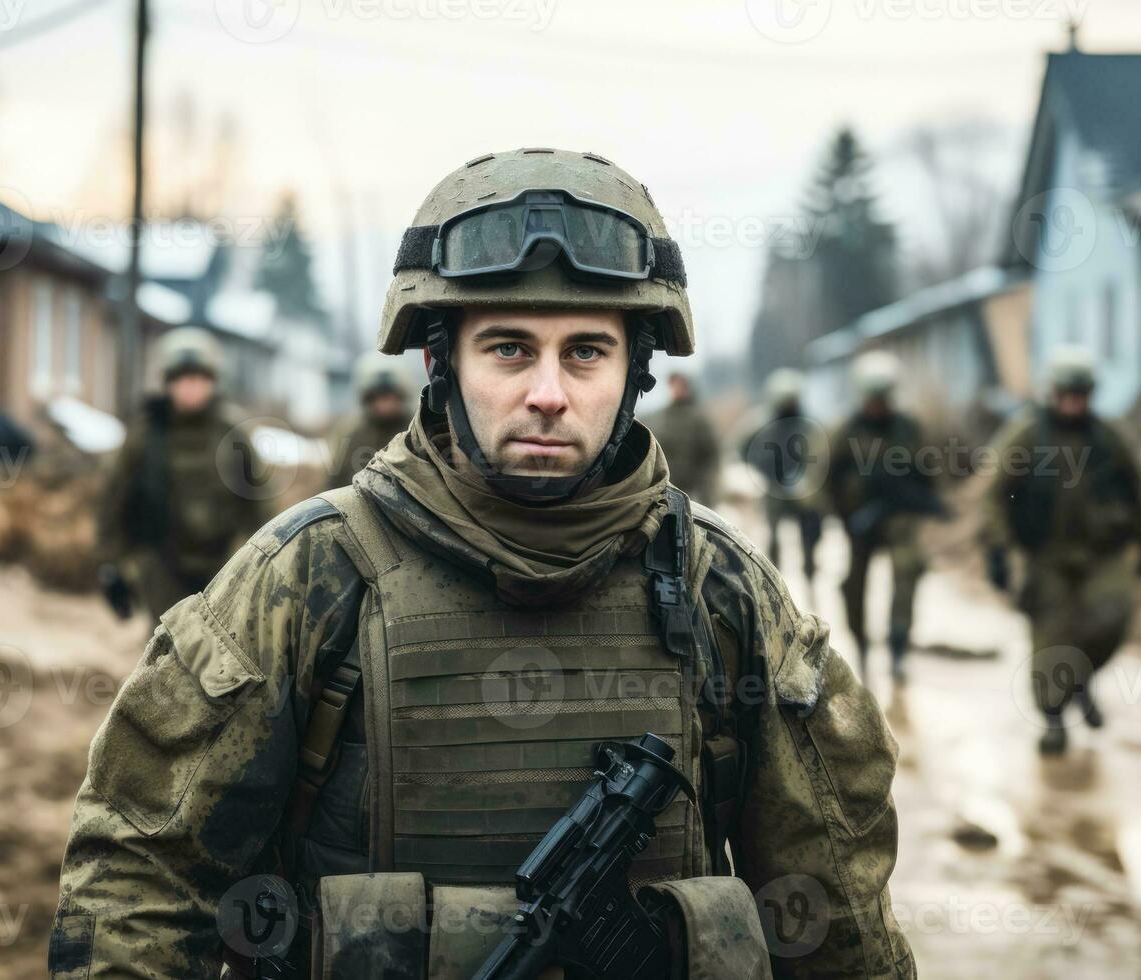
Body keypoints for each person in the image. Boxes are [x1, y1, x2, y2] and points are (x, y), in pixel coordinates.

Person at [51, 149, 913, 980]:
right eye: (508, 348)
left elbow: (834, 909)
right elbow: (143, 878)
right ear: (441, 363)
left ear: (634, 372)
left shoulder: (720, 586)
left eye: (586, 351)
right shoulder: (308, 578)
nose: (548, 391)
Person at [981, 346, 1141, 755]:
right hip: (1047, 554)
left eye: (1081, 395)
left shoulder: (1109, 437)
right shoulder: (1026, 435)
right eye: (1066, 394)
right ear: (1052, 393)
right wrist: (997, 549)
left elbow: (1138, 489)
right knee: (1052, 638)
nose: (1074, 403)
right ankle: (1054, 719)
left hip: (1101, 552)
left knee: (1114, 616)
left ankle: (1081, 678)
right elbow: (994, 495)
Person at [94, 327, 269, 624]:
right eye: (183, 380)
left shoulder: (232, 432)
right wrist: (111, 565)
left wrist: (266, 558)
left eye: (199, 380)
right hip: (162, 561)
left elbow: (259, 500)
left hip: (223, 560)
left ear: (212, 382)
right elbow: (115, 499)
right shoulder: (147, 434)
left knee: (224, 647)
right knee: (169, 645)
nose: (191, 388)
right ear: (169, 384)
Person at [829, 351, 944, 682]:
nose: (878, 405)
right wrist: (841, 516)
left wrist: (920, 500)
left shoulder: (908, 429)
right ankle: (861, 646)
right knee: (853, 586)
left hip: (899, 520)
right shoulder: (846, 431)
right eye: (872, 398)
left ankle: (898, 648)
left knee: (908, 571)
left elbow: (927, 473)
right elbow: (825, 479)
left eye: (883, 398)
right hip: (859, 523)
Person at [745, 369, 829, 593]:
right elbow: (743, 445)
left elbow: (820, 452)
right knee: (773, 536)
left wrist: (810, 479)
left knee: (810, 533)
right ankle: (774, 578)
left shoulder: (808, 424)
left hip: (804, 489)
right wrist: (760, 469)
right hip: (775, 487)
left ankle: (810, 573)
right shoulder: (762, 424)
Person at [325, 356, 413, 487]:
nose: (385, 404)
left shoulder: (415, 430)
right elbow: (336, 480)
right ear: (369, 399)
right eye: (379, 397)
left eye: (390, 396)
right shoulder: (352, 434)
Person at [644, 370, 721, 504]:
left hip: (692, 490)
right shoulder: (661, 418)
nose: (676, 389)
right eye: (673, 385)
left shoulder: (699, 419)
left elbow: (710, 457)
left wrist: (707, 495)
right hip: (665, 487)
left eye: (680, 385)